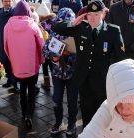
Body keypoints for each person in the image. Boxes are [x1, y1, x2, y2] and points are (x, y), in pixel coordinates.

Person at [52, 0, 125, 130]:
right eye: (89, 14)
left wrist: (115, 80)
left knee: (101, 112)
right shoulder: (80, 27)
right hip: (83, 79)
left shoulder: (112, 31)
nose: (92, 18)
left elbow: (120, 59)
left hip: (101, 81)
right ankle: (87, 135)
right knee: (86, 111)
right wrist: (72, 23)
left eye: (96, 14)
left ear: (103, 14)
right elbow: (55, 28)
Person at [4, 0, 45, 129]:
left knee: (22, 89)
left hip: (17, 66)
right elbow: (41, 44)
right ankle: (29, 115)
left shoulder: (7, 26)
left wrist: (13, 60)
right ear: (28, 11)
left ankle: (23, 113)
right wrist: (41, 59)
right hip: (32, 65)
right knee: (31, 89)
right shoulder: (32, 25)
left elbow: (5, 47)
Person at [42, 8, 79, 136]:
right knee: (56, 99)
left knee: (72, 101)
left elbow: (84, 56)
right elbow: (45, 50)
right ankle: (58, 123)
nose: (65, 26)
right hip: (57, 74)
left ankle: (72, 124)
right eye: (62, 22)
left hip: (73, 74)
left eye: (68, 23)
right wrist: (53, 56)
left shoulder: (77, 35)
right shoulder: (54, 33)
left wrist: (70, 55)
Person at [0, 0, 20, 92]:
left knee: (14, 63)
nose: (7, 3)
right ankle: (9, 79)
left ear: (12, 1)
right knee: (4, 62)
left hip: (14, 43)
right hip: (2, 42)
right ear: (2, 2)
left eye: (9, 1)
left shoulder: (16, 11)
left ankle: (15, 82)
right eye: (5, 1)